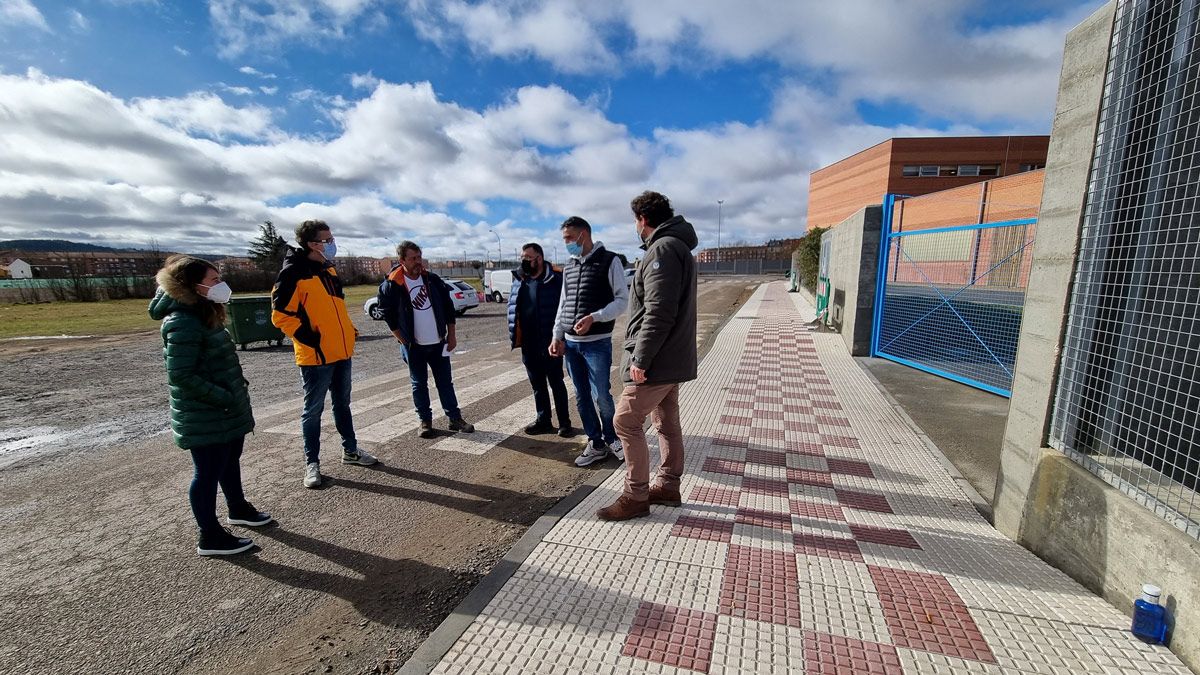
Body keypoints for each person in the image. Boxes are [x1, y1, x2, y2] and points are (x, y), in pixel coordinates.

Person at [149, 255, 271, 556]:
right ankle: (210, 536)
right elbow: (181, 375)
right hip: (206, 412)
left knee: (230, 461)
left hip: (225, 410)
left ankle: (238, 508)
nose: (221, 285)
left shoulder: (205, 311)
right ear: (193, 286)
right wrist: (223, 396)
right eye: (214, 280)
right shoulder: (183, 321)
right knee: (207, 473)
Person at [597, 191, 698, 521]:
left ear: (642, 219)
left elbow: (659, 311)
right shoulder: (675, 246)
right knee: (666, 422)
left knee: (625, 420)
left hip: (657, 361)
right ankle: (668, 485)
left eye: (635, 221)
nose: (636, 227)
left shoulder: (663, 249)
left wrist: (641, 359)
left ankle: (635, 495)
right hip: (671, 359)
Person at [272, 220, 377, 490]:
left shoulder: (328, 270)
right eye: (327, 240)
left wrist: (349, 329)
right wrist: (308, 337)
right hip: (316, 357)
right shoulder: (292, 274)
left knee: (343, 405)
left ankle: (350, 451)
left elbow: (335, 305)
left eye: (332, 239)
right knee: (313, 411)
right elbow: (281, 316)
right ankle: (312, 463)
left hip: (341, 352)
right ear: (311, 244)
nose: (332, 244)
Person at [550, 216, 629, 467]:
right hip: (571, 345)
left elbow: (622, 301)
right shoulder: (569, 266)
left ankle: (612, 437)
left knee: (602, 396)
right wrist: (557, 335)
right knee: (581, 396)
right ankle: (595, 443)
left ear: (584, 235)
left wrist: (595, 317)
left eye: (569, 238)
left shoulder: (610, 260)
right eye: (565, 239)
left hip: (597, 343)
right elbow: (563, 304)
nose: (567, 243)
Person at [377, 240, 475, 439]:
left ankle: (454, 418)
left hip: (438, 342)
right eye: (412, 258)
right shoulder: (392, 284)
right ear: (402, 260)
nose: (417, 262)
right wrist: (403, 340)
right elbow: (387, 315)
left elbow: (448, 308)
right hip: (414, 346)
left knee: (445, 383)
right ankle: (425, 421)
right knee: (419, 384)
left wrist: (452, 335)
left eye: (419, 257)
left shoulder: (431, 279)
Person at [508, 243, 574, 437]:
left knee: (556, 383)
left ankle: (565, 422)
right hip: (529, 343)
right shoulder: (521, 279)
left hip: (551, 340)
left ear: (539, 258)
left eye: (528, 257)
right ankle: (543, 419)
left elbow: (568, 308)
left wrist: (562, 338)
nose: (524, 261)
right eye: (522, 257)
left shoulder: (557, 279)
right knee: (537, 385)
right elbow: (514, 308)